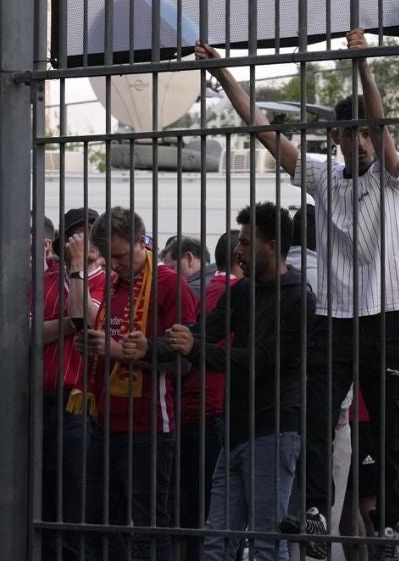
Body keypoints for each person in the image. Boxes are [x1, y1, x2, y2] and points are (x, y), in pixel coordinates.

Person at [197, 29, 399, 559]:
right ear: (334, 140)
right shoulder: (322, 177)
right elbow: (264, 131)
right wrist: (224, 75)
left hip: (387, 316)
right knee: (315, 416)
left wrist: (362, 64)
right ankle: (315, 511)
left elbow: (383, 126)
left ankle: (388, 518)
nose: (359, 142)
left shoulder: (391, 173)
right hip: (335, 318)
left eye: (365, 133)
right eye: (348, 133)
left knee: (389, 426)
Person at [125, 202, 311, 561]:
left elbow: (262, 360)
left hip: (274, 429)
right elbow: (202, 333)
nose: (237, 250)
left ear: (272, 245)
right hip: (236, 431)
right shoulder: (242, 292)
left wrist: (195, 348)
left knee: (266, 543)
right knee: (216, 541)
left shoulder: (297, 297)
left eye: (245, 242)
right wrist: (151, 347)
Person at [77, 207, 196, 560]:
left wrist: (117, 351)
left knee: (148, 525)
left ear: (141, 242)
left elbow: (185, 362)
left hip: (150, 428)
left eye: (120, 255)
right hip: (106, 423)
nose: (114, 265)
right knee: (103, 522)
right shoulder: (115, 284)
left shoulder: (169, 284)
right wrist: (94, 347)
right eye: (108, 257)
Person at [40, 208, 106, 561]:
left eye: (93, 233)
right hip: (40, 401)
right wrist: (68, 322)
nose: (87, 240)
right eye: (78, 234)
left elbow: (89, 318)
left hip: (81, 403)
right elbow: (28, 332)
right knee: (43, 499)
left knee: (76, 499)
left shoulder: (109, 281)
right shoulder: (46, 282)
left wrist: (65, 320)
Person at [177, 229, 243, 561]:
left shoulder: (194, 290)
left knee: (191, 507)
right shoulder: (240, 295)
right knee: (221, 509)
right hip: (222, 407)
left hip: (188, 407)